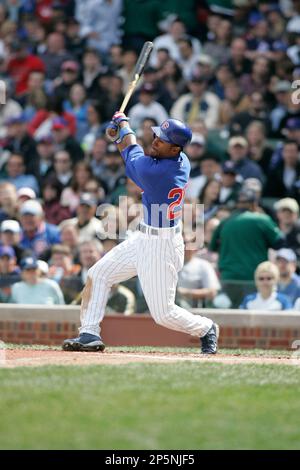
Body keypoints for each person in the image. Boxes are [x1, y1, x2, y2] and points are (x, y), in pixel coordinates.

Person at [63, 115, 219, 354]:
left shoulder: (159, 173)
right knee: (99, 273)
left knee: (163, 313)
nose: (155, 140)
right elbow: (132, 150)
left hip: (161, 245)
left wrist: (122, 128)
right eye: (157, 135)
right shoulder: (181, 159)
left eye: (163, 140)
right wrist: (121, 136)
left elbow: (132, 155)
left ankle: (206, 328)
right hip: (144, 236)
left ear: (175, 148)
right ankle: (89, 333)